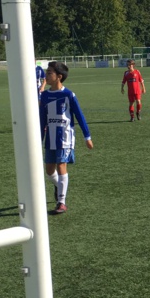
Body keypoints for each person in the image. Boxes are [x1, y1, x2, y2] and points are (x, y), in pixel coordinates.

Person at [39, 61, 94, 214]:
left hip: (65, 137)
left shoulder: (68, 95)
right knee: (49, 171)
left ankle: (61, 202)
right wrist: (39, 140)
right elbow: (42, 120)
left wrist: (87, 137)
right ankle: (59, 186)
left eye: (50, 73)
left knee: (61, 165)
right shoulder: (44, 96)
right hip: (50, 138)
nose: (46, 75)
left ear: (59, 76)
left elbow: (80, 116)